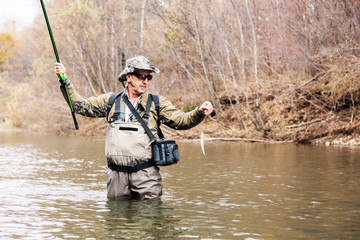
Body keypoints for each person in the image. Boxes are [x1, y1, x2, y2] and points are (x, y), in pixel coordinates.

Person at [55, 56, 213, 200]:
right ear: (128, 77)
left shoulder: (157, 103)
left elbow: (181, 121)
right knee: (118, 225)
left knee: (149, 220)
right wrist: (64, 80)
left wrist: (198, 112)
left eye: (148, 77)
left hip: (146, 176)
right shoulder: (110, 101)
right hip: (116, 177)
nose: (145, 81)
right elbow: (79, 106)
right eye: (141, 76)